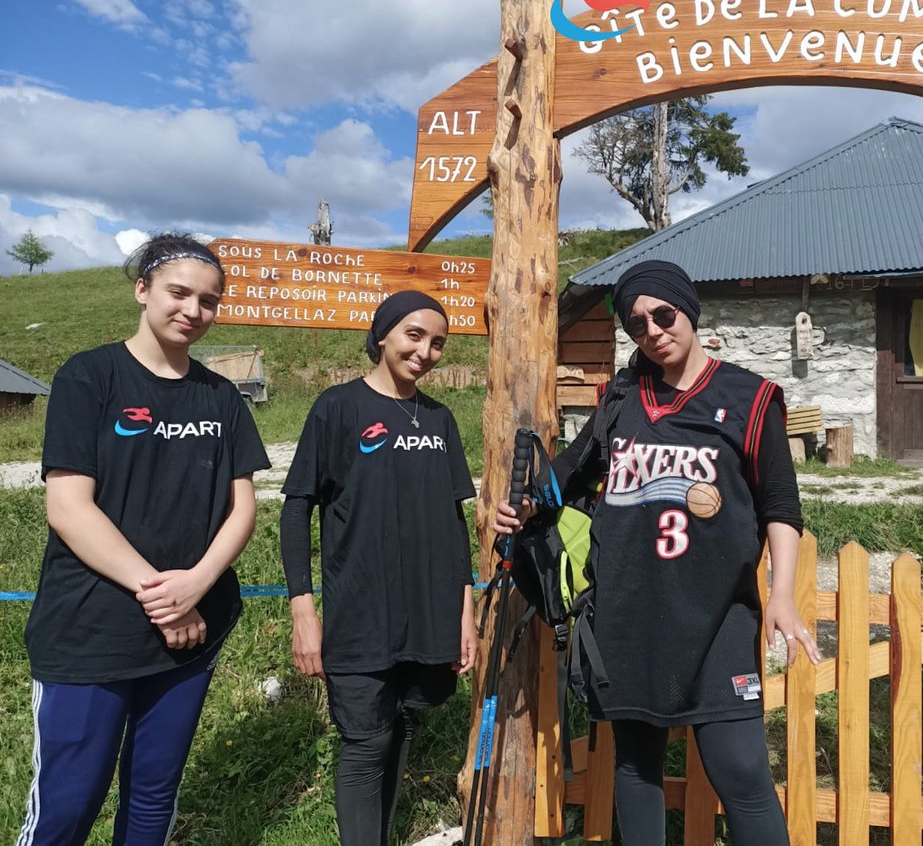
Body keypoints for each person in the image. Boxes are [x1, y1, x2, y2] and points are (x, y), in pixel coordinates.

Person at [495, 260, 821, 846]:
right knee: (635, 765)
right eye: (637, 324)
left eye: (663, 315)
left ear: (688, 311)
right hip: (628, 611)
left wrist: (781, 595)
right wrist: (522, 505)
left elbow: (781, 506)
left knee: (741, 771)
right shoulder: (621, 399)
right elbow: (566, 475)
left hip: (718, 616)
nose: (653, 331)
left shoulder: (749, 397)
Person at [17, 233, 269, 846]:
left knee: (154, 796)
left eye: (208, 301)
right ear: (142, 290)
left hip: (192, 633)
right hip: (91, 630)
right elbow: (69, 508)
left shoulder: (222, 397)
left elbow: (242, 509)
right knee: (68, 803)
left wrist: (197, 585)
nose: (193, 310)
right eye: (178, 293)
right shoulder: (89, 376)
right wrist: (164, 597)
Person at [280, 290, 478, 846]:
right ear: (382, 334)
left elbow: (454, 523)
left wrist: (465, 612)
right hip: (360, 612)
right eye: (414, 335)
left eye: (437, 342)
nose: (425, 351)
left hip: (430, 611)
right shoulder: (337, 407)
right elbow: (296, 508)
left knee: (405, 723)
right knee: (366, 742)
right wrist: (303, 611)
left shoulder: (439, 419)